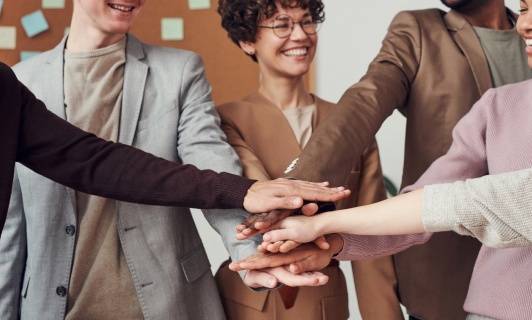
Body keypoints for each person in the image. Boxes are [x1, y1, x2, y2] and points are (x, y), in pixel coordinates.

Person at [229, 1, 532, 316]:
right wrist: (318, 220)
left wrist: (322, 228)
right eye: (528, 6)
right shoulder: (493, 99)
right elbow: (366, 104)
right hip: (468, 291)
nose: (529, 20)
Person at [0, 0, 346, 319]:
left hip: (167, 305)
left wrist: (250, 255)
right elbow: (11, 228)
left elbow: (211, 163)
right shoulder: (21, 81)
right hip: (52, 307)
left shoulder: (180, 70)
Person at [215, 0, 401, 319]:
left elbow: (372, 238)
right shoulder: (226, 120)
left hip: (324, 299)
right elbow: (258, 196)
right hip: (247, 301)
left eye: (307, 22)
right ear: (247, 40)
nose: (300, 35)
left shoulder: (351, 122)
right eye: (282, 25)